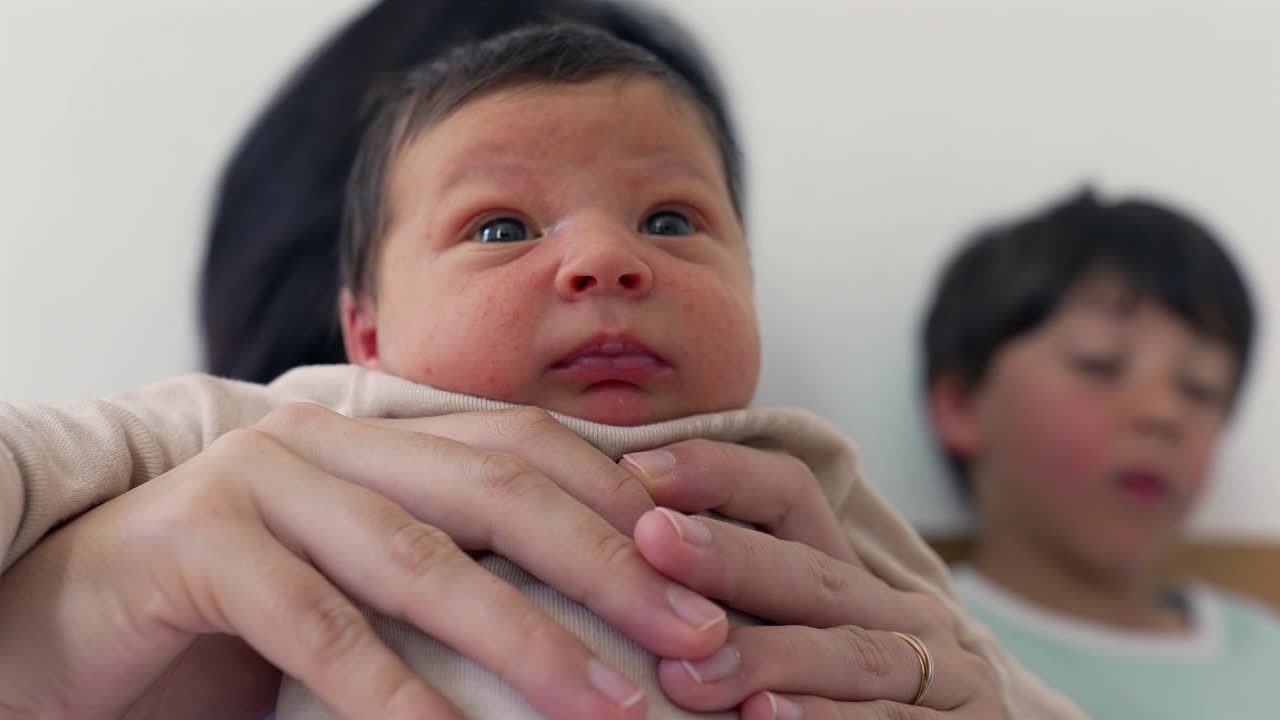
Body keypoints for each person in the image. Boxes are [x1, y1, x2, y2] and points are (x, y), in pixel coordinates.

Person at [923, 188, 1280, 718]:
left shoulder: (1263, 649)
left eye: (1201, 388)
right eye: (1101, 364)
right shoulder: (918, 640)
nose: (1164, 413)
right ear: (962, 405)